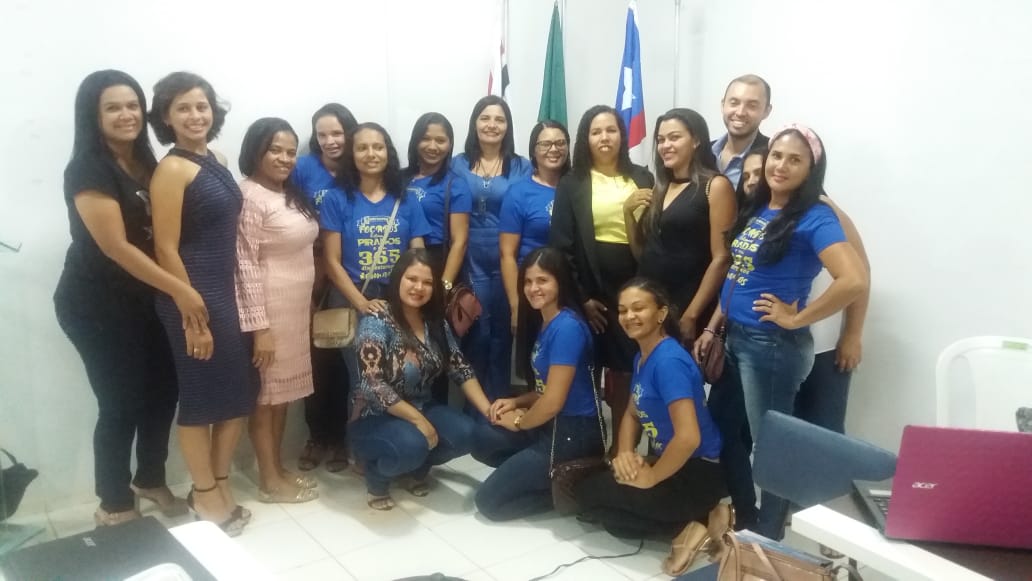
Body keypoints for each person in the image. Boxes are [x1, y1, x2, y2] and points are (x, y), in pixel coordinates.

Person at [694, 124, 868, 539]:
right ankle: (747, 514)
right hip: (737, 338)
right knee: (721, 427)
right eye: (776, 155)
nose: (781, 166)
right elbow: (739, 273)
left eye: (795, 160)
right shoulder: (762, 207)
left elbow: (854, 279)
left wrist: (796, 318)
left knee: (771, 444)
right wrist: (715, 325)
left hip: (770, 346)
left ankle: (768, 534)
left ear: (811, 169)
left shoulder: (815, 215)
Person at [53, 70, 194, 526]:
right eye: (113, 107)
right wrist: (181, 290)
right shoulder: (88, 169)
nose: (126, 114)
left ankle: (149, 479)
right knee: (121, 403)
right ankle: (113, 502)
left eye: (133, 105)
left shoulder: (148, 163)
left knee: (164, 392)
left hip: (145, 301)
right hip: (95, 305)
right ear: (92, 116)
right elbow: (116, 247)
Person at [149, 72, 256, 535]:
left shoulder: (217, 159)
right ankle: (205, 494)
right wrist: (191, 312)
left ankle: (219, 482)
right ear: (167, 118)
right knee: (199, 399)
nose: (195, 115)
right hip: (188, 295)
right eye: (183, 108)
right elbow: (165, 247)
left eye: (202, 106)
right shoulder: (171, 170)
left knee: (235, 395)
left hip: (223, 293)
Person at [574, 279, 729, 576]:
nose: (629, 316)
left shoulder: (669, 362)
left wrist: (652, 477)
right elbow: (632, 414)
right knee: (608, 517)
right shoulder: (642, 356)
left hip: (697, 472)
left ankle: (688, 528)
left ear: (661, 313)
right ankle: (706, 519)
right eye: (623, 310)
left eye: (638, 308)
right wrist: (624, 453)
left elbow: (688, 437)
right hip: (670, 462)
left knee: (589, 497)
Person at [737, 147, 871, 438]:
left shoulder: (822, 210)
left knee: (821, 429)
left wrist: (852, 334)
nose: (753, 180)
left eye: (794, 160)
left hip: (820, 342)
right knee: (777, 429)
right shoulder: (764, 211)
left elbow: (859, 275)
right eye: (746, 176)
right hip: (770, 337)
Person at [349, 250, 492, 510]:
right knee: (412, 444)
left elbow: (460, 367)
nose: (419, 287)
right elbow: (372, 385)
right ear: (398, 279)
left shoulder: (435, 322)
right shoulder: (376, 319)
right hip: (374, 416)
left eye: (427, 282)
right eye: (412, 279)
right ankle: (377, 477)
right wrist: (419, 421)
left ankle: (414, 469)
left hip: (422, 406)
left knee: (468, 434)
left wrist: (489, 411)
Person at [472, 247, 603, 521]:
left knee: (488, 503)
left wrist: (520, 422)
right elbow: (546, 389)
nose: (533, 288)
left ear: (560, 282)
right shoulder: (546, 322)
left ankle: (572, 490)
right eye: (528, 281)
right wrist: (516, 402)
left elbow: (553, 402)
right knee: (482, 438)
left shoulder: (567, 328)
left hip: (572, 433)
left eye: (542, 280)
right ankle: (535, 474)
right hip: (549, 425)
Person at [549, 105, 655, 436]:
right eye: (596, 132)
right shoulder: (572, 182)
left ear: (622, 135)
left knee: (626, 368)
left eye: (611, 130)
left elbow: (653, 237)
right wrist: (582, 299)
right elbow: (562, 246)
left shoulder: (642, 178)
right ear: (586, 138)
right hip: (590, 290)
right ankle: (590, 438)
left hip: (633, 289)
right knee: (587, 366)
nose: (604, 137)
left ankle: (622, 443)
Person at [235, 118, 320, 503]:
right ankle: (268, 480)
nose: (285, 158)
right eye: (275, 150)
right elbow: (245, 264)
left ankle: (279, 468)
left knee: (283, 395)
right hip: (269, 312)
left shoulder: (288, 193)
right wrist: (260, 329)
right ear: (256, 151)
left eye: (290, 151)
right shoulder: (249, 197)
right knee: (265, 399)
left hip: (295, 311)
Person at [625, 108, 736, 347]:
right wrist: (628, 215)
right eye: (661, 140)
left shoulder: (715, 186)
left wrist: (691, 315)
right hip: (650, 308)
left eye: (674, 137)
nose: (665, 145)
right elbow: (644, 255)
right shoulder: (660, 187)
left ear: (696, 140)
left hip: (686, 307)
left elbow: (722, 259)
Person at [290, 103, 357, 474]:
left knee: (349, 358)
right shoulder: (303, 168)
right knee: (316, 358)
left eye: (337, 133)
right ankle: (318, 435)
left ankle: (343, 438)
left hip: (352, 271)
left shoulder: (359, 166)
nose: (331, 141)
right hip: (312, 272)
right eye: (322, 134)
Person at [452, 96, 532, 402]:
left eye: (499, 119)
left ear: (508, 126)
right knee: (477, 333)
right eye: (485, 118)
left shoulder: (522, 167)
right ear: (475, 123)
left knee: (503, 335)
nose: (492, 125)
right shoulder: (457, 164)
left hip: (508, 260)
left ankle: (498, 407)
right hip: (471, 259)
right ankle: (475, 408)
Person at [499, 120, 571, 337]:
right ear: (533, 150)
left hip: (570, 290)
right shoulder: (518, 192)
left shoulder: (578, 186)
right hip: (533, 293)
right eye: (545, 144)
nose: (553, 149)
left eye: (560, 143)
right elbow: (507, 254)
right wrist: (516, 305)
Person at [403, 112, 471, 290]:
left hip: (437, 259)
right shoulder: (399, 179)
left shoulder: (455, 185)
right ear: (415, 141)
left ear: (449, 145)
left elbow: (460, 242)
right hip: (399, 257)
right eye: (426, 139)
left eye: (440, 140)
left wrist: (445, 285)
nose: (432, 146)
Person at [710, 74, 772, 190]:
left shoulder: (772, 157)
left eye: (752, 106)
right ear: (723, 105)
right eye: (734, 103)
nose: (740, 112)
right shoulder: (702, 152)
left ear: (766, 111)